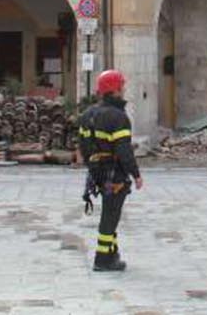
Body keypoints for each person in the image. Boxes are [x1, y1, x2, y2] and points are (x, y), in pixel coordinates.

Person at [78, 69, 143, 272]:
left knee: (111, 212)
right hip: (114, 172)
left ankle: (112, 253)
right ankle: (103, 259)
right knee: (111, 214)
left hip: (96, 171)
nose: (123, 89)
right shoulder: (118, 117)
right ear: (115, 90)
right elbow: (124, 150)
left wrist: (92, 166)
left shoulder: (87, 115)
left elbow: (83, 146)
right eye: (121, 86)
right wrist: (136, 173)